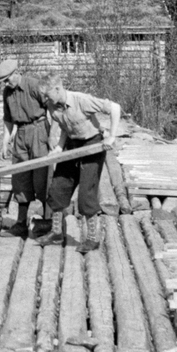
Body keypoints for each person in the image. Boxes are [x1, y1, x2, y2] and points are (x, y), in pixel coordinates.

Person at [43, 76, 121, 253]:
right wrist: (59, 147)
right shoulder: (52, 105)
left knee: (86, 192)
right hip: (71, 145)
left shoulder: (82, 100)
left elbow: (115, 108)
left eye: (48, 96)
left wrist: (112, 136)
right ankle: (56, 233)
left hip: (91, 145)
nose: (46, 100)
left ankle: (92, 239)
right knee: (58, 187)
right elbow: (64, 125)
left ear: (57, 89)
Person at [0, 58, 53, 239]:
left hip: (39, 130)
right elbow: (8, 119)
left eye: (6, 80)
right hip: (21, 135)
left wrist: (52, 136)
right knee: (20, 178)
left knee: (42, 177)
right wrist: (5, 142)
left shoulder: (34, 85)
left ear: (16, 73)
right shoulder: (7, 93)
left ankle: (47, 221)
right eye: (3, 82)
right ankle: (21, 223)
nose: (6, 84)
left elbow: (52, 107)